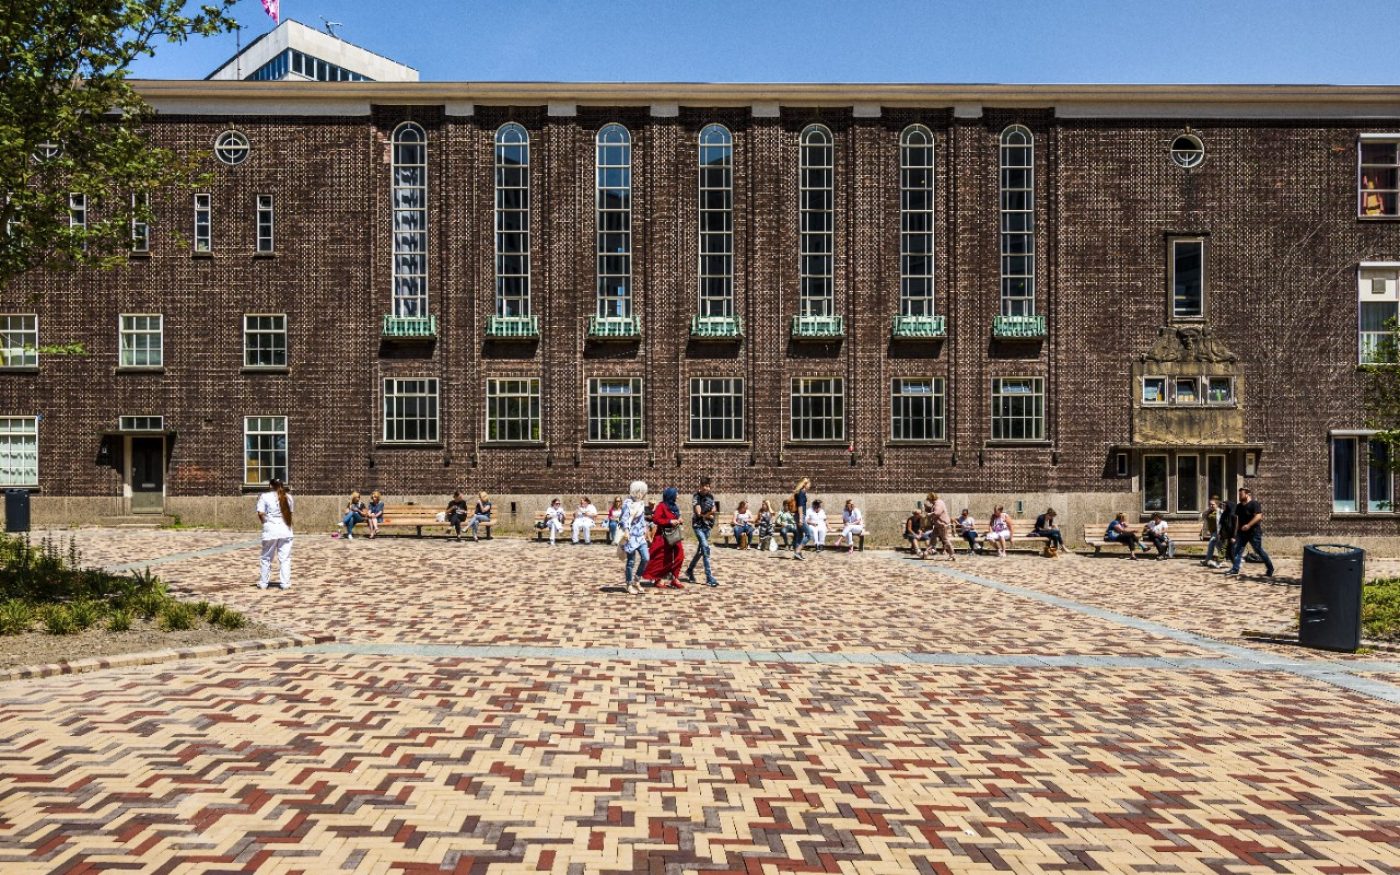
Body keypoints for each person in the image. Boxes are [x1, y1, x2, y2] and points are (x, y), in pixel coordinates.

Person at [641, 486, 686, 588]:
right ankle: (658, 579)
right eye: (676, 494)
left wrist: (679, 519)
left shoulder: (674, 506)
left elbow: (676, 517)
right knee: (662, 559)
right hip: (663, 536)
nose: (677, 496)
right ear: (671, 495)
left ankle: (675, 578)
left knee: (680, 556)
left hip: (674, 536)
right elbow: (656, 519)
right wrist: (669, 521)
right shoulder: (661, 506)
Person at [1227, 487, 1275, 577]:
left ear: (1247, 494)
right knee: (1237, 550)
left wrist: (1248, 525)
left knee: (1259, 551)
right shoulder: (1239, 506)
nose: (1239, 496)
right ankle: (1235, 569)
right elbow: (1237, 521)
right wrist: (1235, 534)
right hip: (1242, 533)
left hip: (1254, 533)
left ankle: (1270, 568)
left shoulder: (1254, 504)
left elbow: (1259, 517)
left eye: (1241, 494)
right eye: (1239, 494)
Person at [256, 477, 294, 589]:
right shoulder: (290, 497)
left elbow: (260, 513)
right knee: (285, 558)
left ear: (270, 486)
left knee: (266, 557)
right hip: (286, 530)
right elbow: (290, 514)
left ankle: (263, 583)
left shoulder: (264, 496)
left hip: (271, 530)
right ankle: (285, 583)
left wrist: (265, 523)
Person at [684, 476, 720, 586]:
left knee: (701, 551)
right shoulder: (696, 496)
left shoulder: (710, 496)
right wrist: (709, 514)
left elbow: (715, 509)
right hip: (698, 526)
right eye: (705, 486)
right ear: (700, 486)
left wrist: (709, 515)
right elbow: (699, 513)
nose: (707, 488)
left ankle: (689, 570)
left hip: (707, 527)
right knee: (705, 548)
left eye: (708, 486)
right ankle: (709, 577)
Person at [619, 481, 649, 595]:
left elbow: (642, 519)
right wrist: (626, 531)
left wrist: (645, 529)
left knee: (646, 558)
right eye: (642, 492)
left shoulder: (640, 503)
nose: (643, 494)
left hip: (640, 536)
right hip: (631, 536)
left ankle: (637, 579)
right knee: (631, 561)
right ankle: (629, 584)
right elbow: (624, 519)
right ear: (637, 492)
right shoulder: (628, 503)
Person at [1205, 494, 1237, 569]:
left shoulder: (1225, 513)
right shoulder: (1212, 512)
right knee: (1223, 548)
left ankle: (1216, 561)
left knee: (1222, 547)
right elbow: (1221, 524)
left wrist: (1233, 536)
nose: (1211, 506)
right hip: (1219, 533)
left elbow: (1234, 526)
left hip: (1226, 534)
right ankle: (1231, 562)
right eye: (1210, 504)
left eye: (1212, 504)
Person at [926, 493, 956, 561]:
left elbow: (937, 512)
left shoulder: (938, 503)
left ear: (931, 498)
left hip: (942, 524)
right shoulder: (937, 503)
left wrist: (929, 514)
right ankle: (927, 552)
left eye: (929, 500)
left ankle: (952, 555)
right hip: (938, 524)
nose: (929, 501)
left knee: (945, 539)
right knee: (933, 538)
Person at [791, 478, 811, 558]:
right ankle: (798, 551)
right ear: (805, 484)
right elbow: (800, 506)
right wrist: (801, 518)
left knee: (800, 535)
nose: (810, 485)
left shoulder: (799, 493)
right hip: (800, 515)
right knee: (808, 534)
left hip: (798, 515)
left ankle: (797, 554)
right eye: (809, 483)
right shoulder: (802, 493)